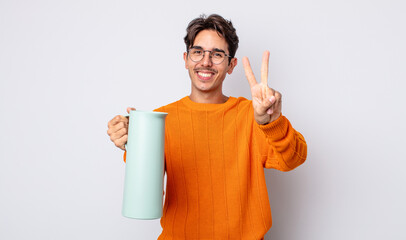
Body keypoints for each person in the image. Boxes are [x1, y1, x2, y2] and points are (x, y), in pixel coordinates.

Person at [107, 14, 307, 240]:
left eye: (217, 54)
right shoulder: (161, 119)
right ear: (186, 59)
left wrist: (271, 121)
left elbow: (294, 159)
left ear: (231, 65)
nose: (206, 61)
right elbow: (144, 196)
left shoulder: (253, 115)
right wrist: (132, 141)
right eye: (198, 52)